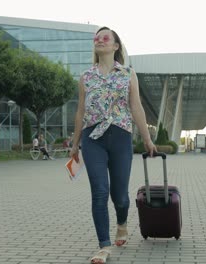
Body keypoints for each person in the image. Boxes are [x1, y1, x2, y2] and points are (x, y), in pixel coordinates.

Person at [69, 26, 156, 264]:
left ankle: (122, 223)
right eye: (97, 38)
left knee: (120, 197)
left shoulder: (128, 73)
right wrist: (75, 143)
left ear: (116, 46)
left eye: (105, 38)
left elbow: (136, 107)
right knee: (99, 192)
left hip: (120, 137)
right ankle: (103, 246)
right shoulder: (86, 77)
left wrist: (147, 139)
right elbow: (80, 111)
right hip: (92, 138)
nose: (99, 40)